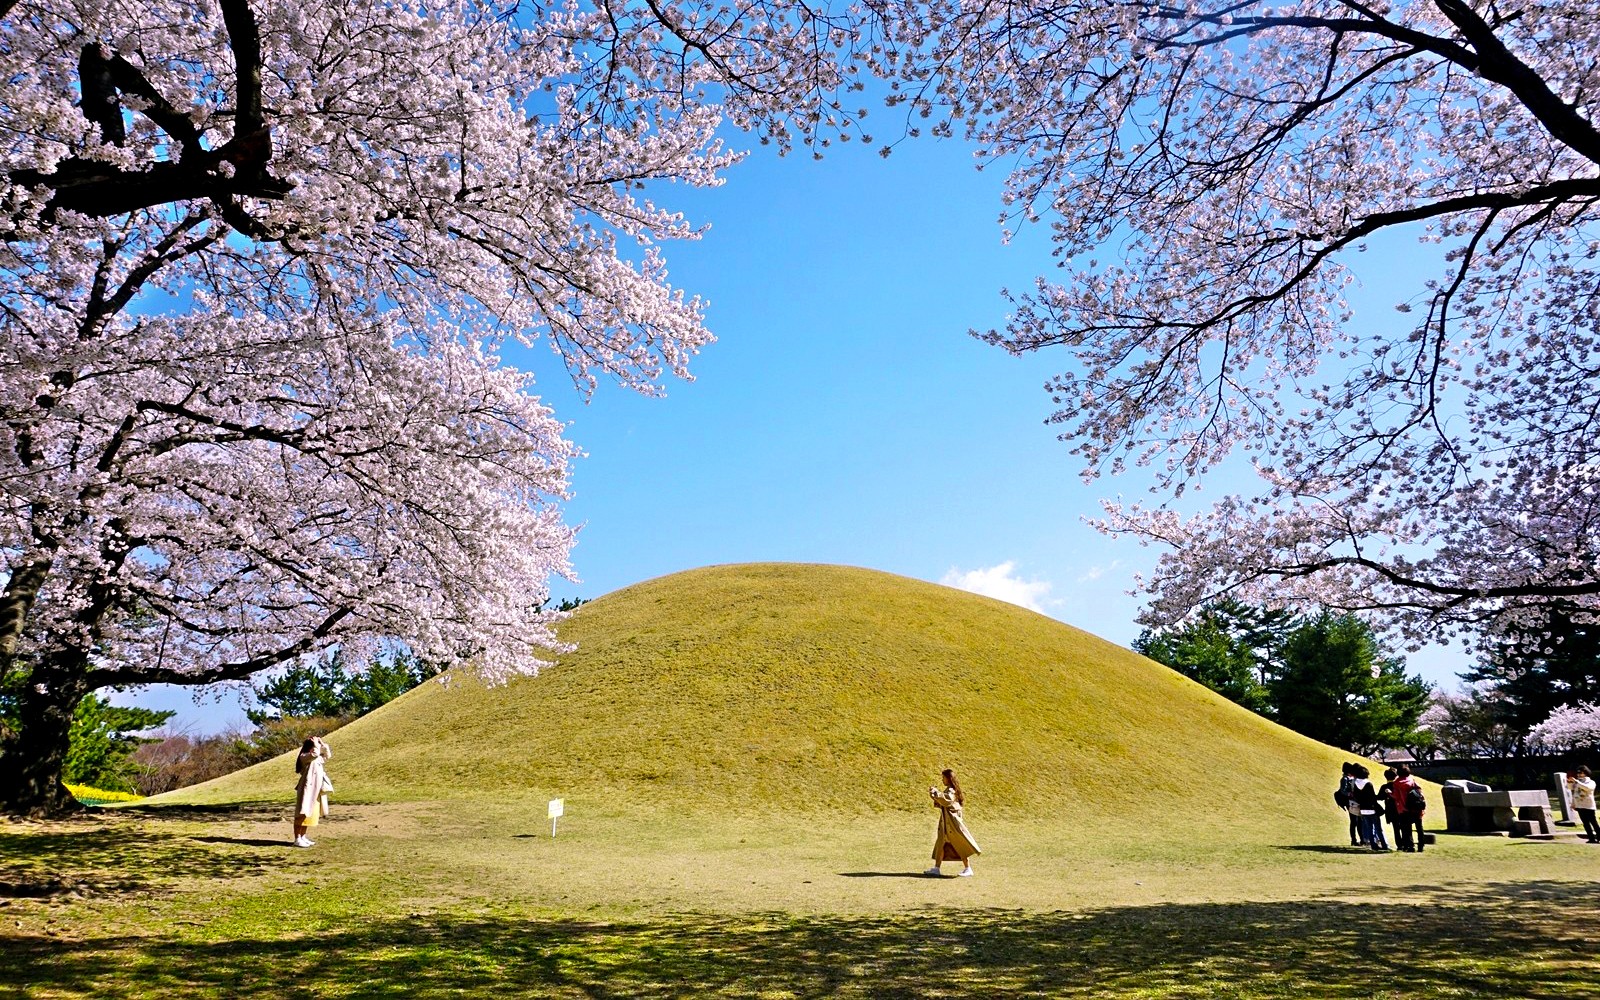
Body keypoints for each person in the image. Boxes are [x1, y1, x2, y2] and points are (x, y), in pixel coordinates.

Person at [925, 768, 981, 877]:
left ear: (948, 778)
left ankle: (968, 868)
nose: (942, 780)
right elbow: (942, 802)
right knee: (941, 844)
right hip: (947, 823)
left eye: (943, 778)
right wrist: (934, 795)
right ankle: (936, 868)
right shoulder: (949, 789)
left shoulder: (951, 790)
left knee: (959, 844)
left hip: (952, 824)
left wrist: (936, 793)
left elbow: (947, 800)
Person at [293, 736, 334, 848]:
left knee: (309, 814)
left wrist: (322, 743)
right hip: (307, 789)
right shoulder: (304, 757)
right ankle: (297, 838)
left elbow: (327, 755)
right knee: (302, 814)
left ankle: (303, 836)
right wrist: (315, 744)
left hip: (315, 789)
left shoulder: (316, 759)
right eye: (315, 746)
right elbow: (315, 754)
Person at [1350, 764, 1389, 852]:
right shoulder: (1368, 784)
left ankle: (1373, 845)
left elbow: (1356, 797)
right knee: (1378, 828)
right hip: (1372, 809)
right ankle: (1384, 845)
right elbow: (1372, 797)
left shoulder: (1355, 784)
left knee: (1369, 829)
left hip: (1363, 809)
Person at [1391, 763, 1426, 852]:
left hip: (1404, 809)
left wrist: (1389, 793)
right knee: (1419, 827)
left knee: (1407, 829)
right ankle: (1421, 845)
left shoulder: (1397, 783)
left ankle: (1411, 846)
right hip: (1416, 808)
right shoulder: (1412, 780)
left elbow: (1396, 796)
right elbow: (1420, 792)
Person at [1569, 766, 1599, 844]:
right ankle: (1591, 838)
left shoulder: (1591, 782)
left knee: (1593, 822)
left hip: (1589, 805)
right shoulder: (1577, 782)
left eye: (1580, 772)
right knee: (1585, 823)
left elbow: (1588, 788)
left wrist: (1577, 782)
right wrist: (1573, 804)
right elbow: (1574, 793)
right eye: (1578, 772)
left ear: (1585, 773)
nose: (1578, 774)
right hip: (1579, 805)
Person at [1378, 768, 1404, 850]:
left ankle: (1399, 845)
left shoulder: (1384, 787)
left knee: (1396, 829)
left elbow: (1380, 797)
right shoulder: (1398, 785)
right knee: (1404, 827)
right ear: (1396, 776)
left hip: (1390, 810)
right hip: (1401, 809)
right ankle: (1406, 843)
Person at [1337, 762, 1361, 846]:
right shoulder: (1344, 779)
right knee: (1354, 821)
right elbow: (1342, 790)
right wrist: (1349, 794)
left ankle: (1360, 839)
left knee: (1357, 821)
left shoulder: (1350, 778)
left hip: (1353, 801)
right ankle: (1354, 840)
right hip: (1350, 802)